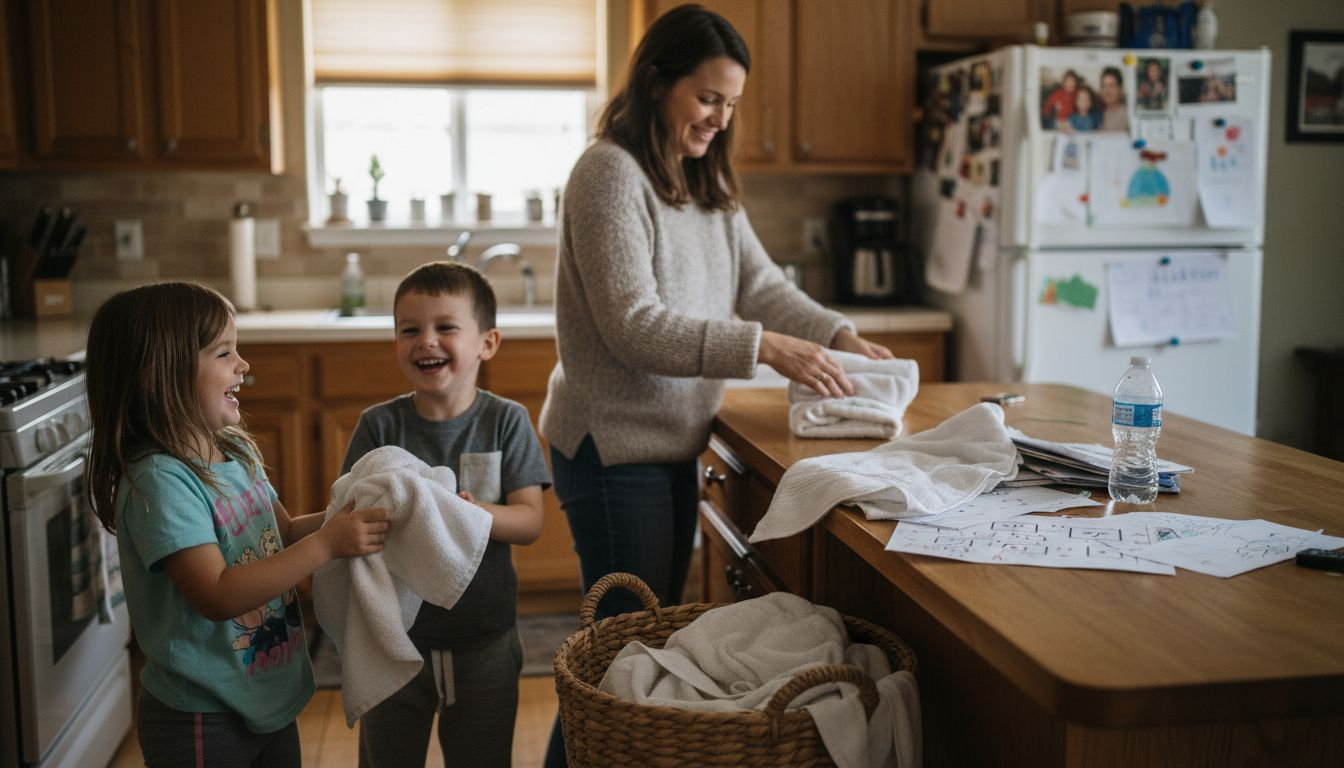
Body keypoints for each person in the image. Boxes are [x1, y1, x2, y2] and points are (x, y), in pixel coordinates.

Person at [538, 4, 892, 765]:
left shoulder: (703, 183)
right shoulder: (609, 173)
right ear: (655, 82)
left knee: (639, 655)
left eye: (730, 104)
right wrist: (765, 348)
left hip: (671, 440)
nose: (720, 119)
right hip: (612, 447)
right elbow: (633, 324)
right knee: (616, 666)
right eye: (707, 98)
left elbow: (762, 286)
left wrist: (837, 335)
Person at [85, 282, 390, 768]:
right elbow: (217, 593)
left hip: (265, 692)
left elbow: (281, 533)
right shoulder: (161, 480)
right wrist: (328, 545)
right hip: (201, 713)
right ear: (160, 374)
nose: (243, 365)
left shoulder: (234, 449)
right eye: (224, 352)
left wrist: (348, 516)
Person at [341, 261, 550, 768]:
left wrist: (474, 515)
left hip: (486, 643)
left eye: (445, 327)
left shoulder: (507, 421)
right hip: (394, 642)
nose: (426, 341)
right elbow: (347, 513)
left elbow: (530, 521)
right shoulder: (378, 425)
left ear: (487, 343)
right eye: (409, 330)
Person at [1098, 66, 1130, 132]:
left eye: (1111, 86)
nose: (1106, 91)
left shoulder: (1127, 114)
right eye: (1104, 86)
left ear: (1119, 89)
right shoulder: (1096, 113)